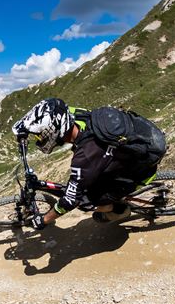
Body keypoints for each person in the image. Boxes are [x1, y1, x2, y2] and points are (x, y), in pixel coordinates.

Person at [12, 98, 165, 229]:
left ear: (54, 132)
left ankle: (118, 210)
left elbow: (70, 200)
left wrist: (43, 220)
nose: (39, 139)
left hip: (139, 168)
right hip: (142, 138)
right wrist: (24, 132)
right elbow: (54, 115)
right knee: (86, 182)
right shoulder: (75, 114)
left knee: (84, 201)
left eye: (39, 135)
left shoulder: (85, 158)